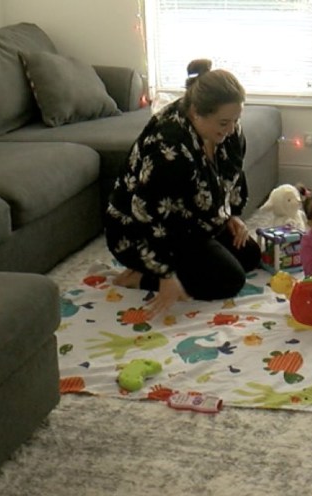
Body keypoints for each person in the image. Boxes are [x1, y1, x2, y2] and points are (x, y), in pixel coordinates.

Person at [104, 59, 261, 318]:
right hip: (145, 232)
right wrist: (164, 273)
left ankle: (191, 263)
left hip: (195, 220)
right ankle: (140, 277)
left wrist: (231, 215)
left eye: (235, 119)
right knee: (229, 281)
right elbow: (149, 216)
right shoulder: (168, 148)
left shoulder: (228, 129)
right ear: (197, 112)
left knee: (249, 256)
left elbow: (231, 177)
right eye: (224, 123)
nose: (231, 129)